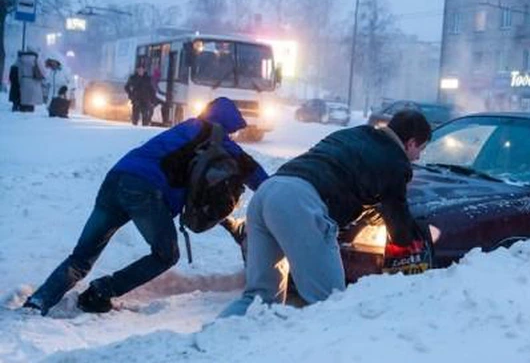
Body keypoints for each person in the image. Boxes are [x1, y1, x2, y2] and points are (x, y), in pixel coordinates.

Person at [23, 98, 268, 316]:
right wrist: (274, 191)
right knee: (166, 254)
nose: (232, 136)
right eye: (232, 131)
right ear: (226, 122)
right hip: (144, 190)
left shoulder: (186, 129)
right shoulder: (214, 135)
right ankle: (101, 291)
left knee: (82, 256)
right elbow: (252, 171)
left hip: (115, 180)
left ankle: (39, 301)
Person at [220, 109, 432, 317]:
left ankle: (215, 336)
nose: (418, 157)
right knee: (329, 304)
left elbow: (348, 176)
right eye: (420, 149)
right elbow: (400, 229)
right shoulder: (396, 161)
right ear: (411, 143)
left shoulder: (357, 133)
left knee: (258, 299)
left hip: (268, 191)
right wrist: (418, 237)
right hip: (300, 203)